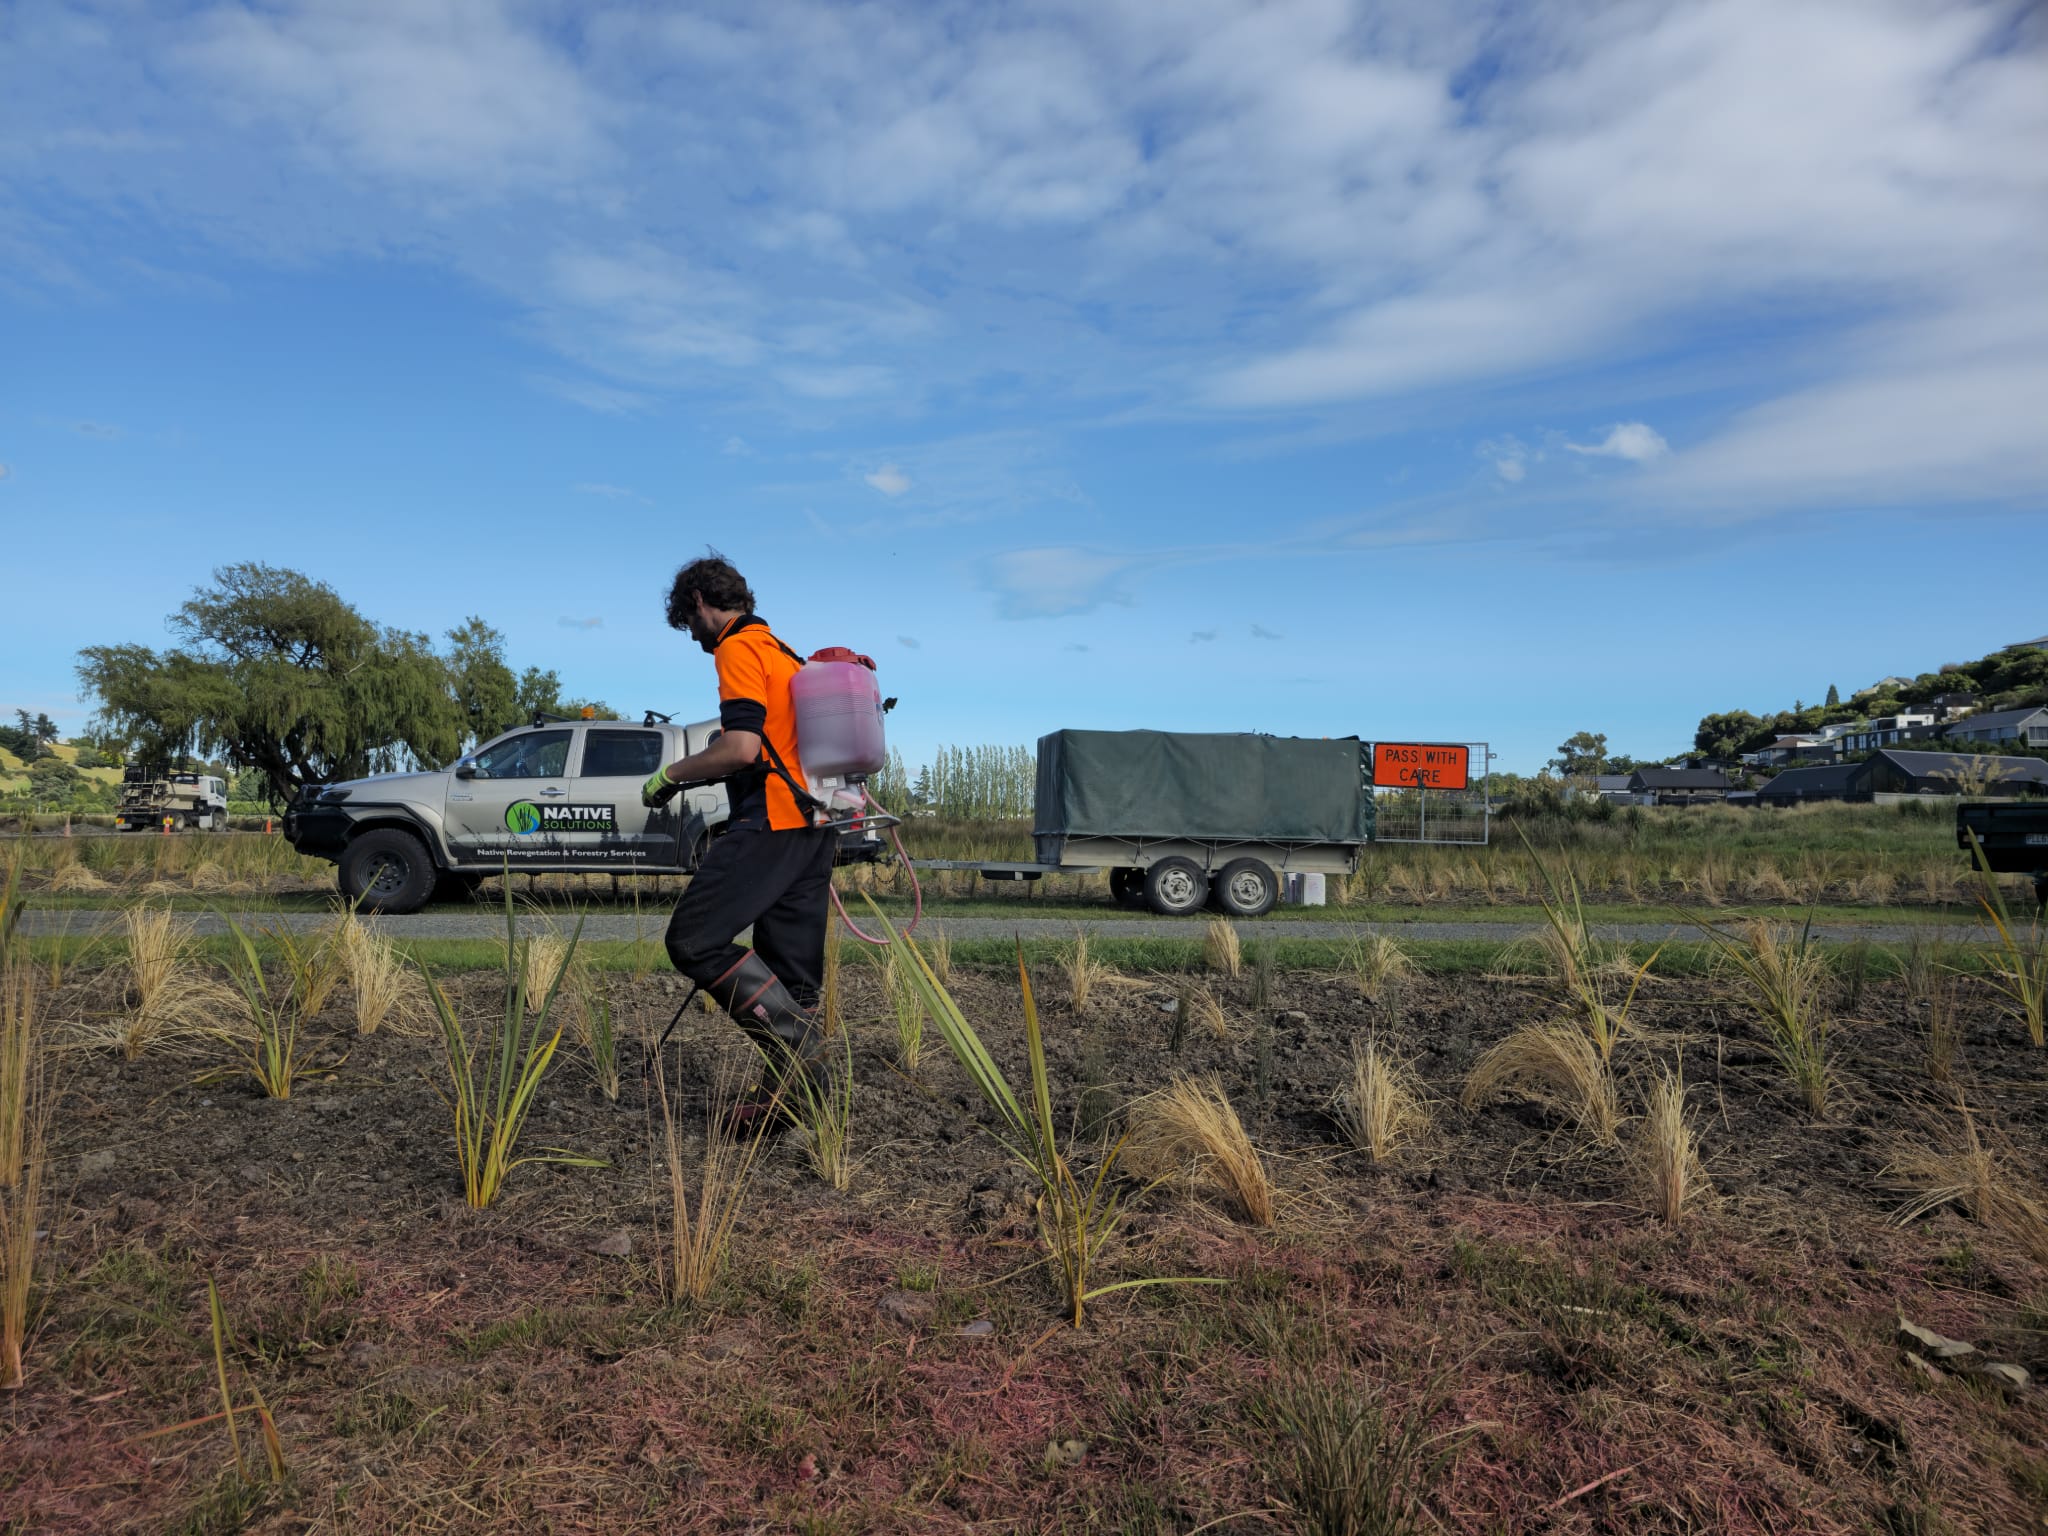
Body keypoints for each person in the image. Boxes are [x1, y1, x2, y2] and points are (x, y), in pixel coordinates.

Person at [642, 553, 837, 1131]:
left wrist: (668, 776)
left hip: (772, 819)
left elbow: (741, 749)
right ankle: (794, 1107)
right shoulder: (784, 650)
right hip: (816, 825)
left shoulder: (738, 647)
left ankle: (804, 1059)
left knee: (694, 941)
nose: (694, 636)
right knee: (792, 973)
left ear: (699, 603)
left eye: (688, 621)